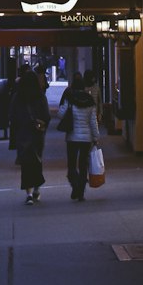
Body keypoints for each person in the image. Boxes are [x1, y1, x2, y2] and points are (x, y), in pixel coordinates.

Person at [8, 68, 50, 203]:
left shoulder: (18, 97)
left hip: (23, 133)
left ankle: (29, 193)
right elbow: (47, 115)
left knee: (26, 164)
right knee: (37, 161)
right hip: (37, 133)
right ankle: (37, 189)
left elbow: (12, 116)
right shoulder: (40, 96)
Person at [64, 71, 101, 201]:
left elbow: (60, 114)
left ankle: (75, 185)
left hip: (72, 137)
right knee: (83, 164)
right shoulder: (89, 100)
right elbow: (93, 121)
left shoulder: (69, 99)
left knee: (72, 165)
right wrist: (96, 137)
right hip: (86, 138)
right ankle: (81, 192)